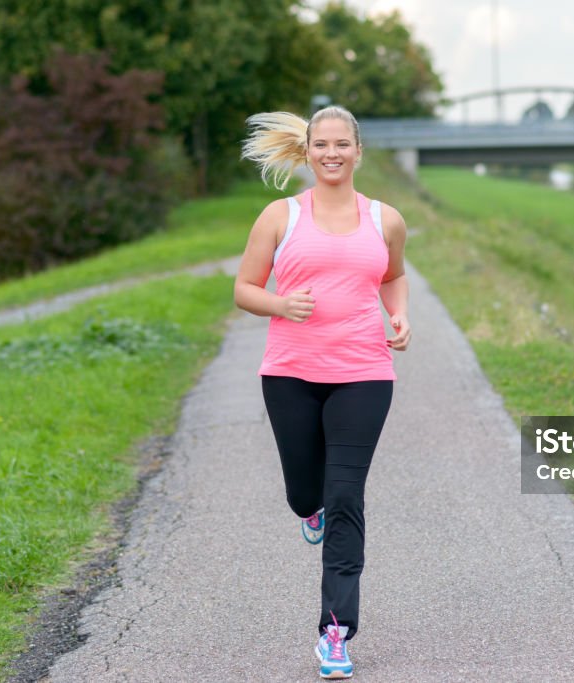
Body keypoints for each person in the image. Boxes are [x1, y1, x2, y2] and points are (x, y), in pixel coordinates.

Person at [233, 105, 411, 680]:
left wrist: (400, 315)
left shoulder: (385, 219)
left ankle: (336, 632)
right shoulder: (280, 216)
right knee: (304, 491)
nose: (331, 154)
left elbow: (393, 275)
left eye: (342, 144)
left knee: (345, 498)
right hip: (289, 372)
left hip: (364, 372)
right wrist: (282, 304)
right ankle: (304, 508)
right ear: (307, 152)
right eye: (321, 145)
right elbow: (244, 288)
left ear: (358, 152)